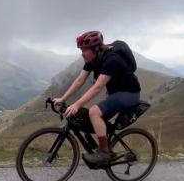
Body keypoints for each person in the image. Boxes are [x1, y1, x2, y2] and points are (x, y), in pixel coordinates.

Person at [53, 30, 141, 166]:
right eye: (80, 49)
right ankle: (106, 146)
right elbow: (79, 80)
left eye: (84, 49)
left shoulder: (112, 59)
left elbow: (97, 87)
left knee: (94, 112)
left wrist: (76, 104)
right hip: (116, 94)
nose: (81, 53)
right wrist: (63, 98)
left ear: (95, 48)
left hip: (129, 94)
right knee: (91, 116)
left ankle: (104, 152)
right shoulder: (93, 59)